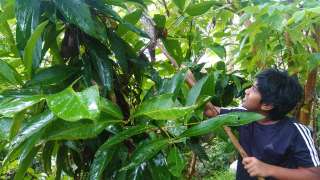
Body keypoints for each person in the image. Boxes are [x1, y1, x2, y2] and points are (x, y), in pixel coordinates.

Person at [204, 69, 320, 180]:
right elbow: (211, 111)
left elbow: (315, 175)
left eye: (253, 89)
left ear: (267, 105)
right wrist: (189, 77)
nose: (246, 91)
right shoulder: (242, 116)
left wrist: (268, 169)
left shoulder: (296, 132)